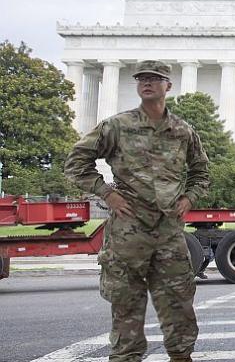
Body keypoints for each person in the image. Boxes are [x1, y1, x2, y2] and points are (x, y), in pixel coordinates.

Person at [64, 60, 210, 362]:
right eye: (142, 78)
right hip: (128, 234)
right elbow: (76, 162)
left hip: (169, 233)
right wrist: (107, 193)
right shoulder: (118, 126)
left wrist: (190, 198)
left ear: (167, 86)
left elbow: (201, 171)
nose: (147, 83)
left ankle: (181, 356)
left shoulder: (182, 131)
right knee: (126, 306)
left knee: (179, 303)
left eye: (155, 78)